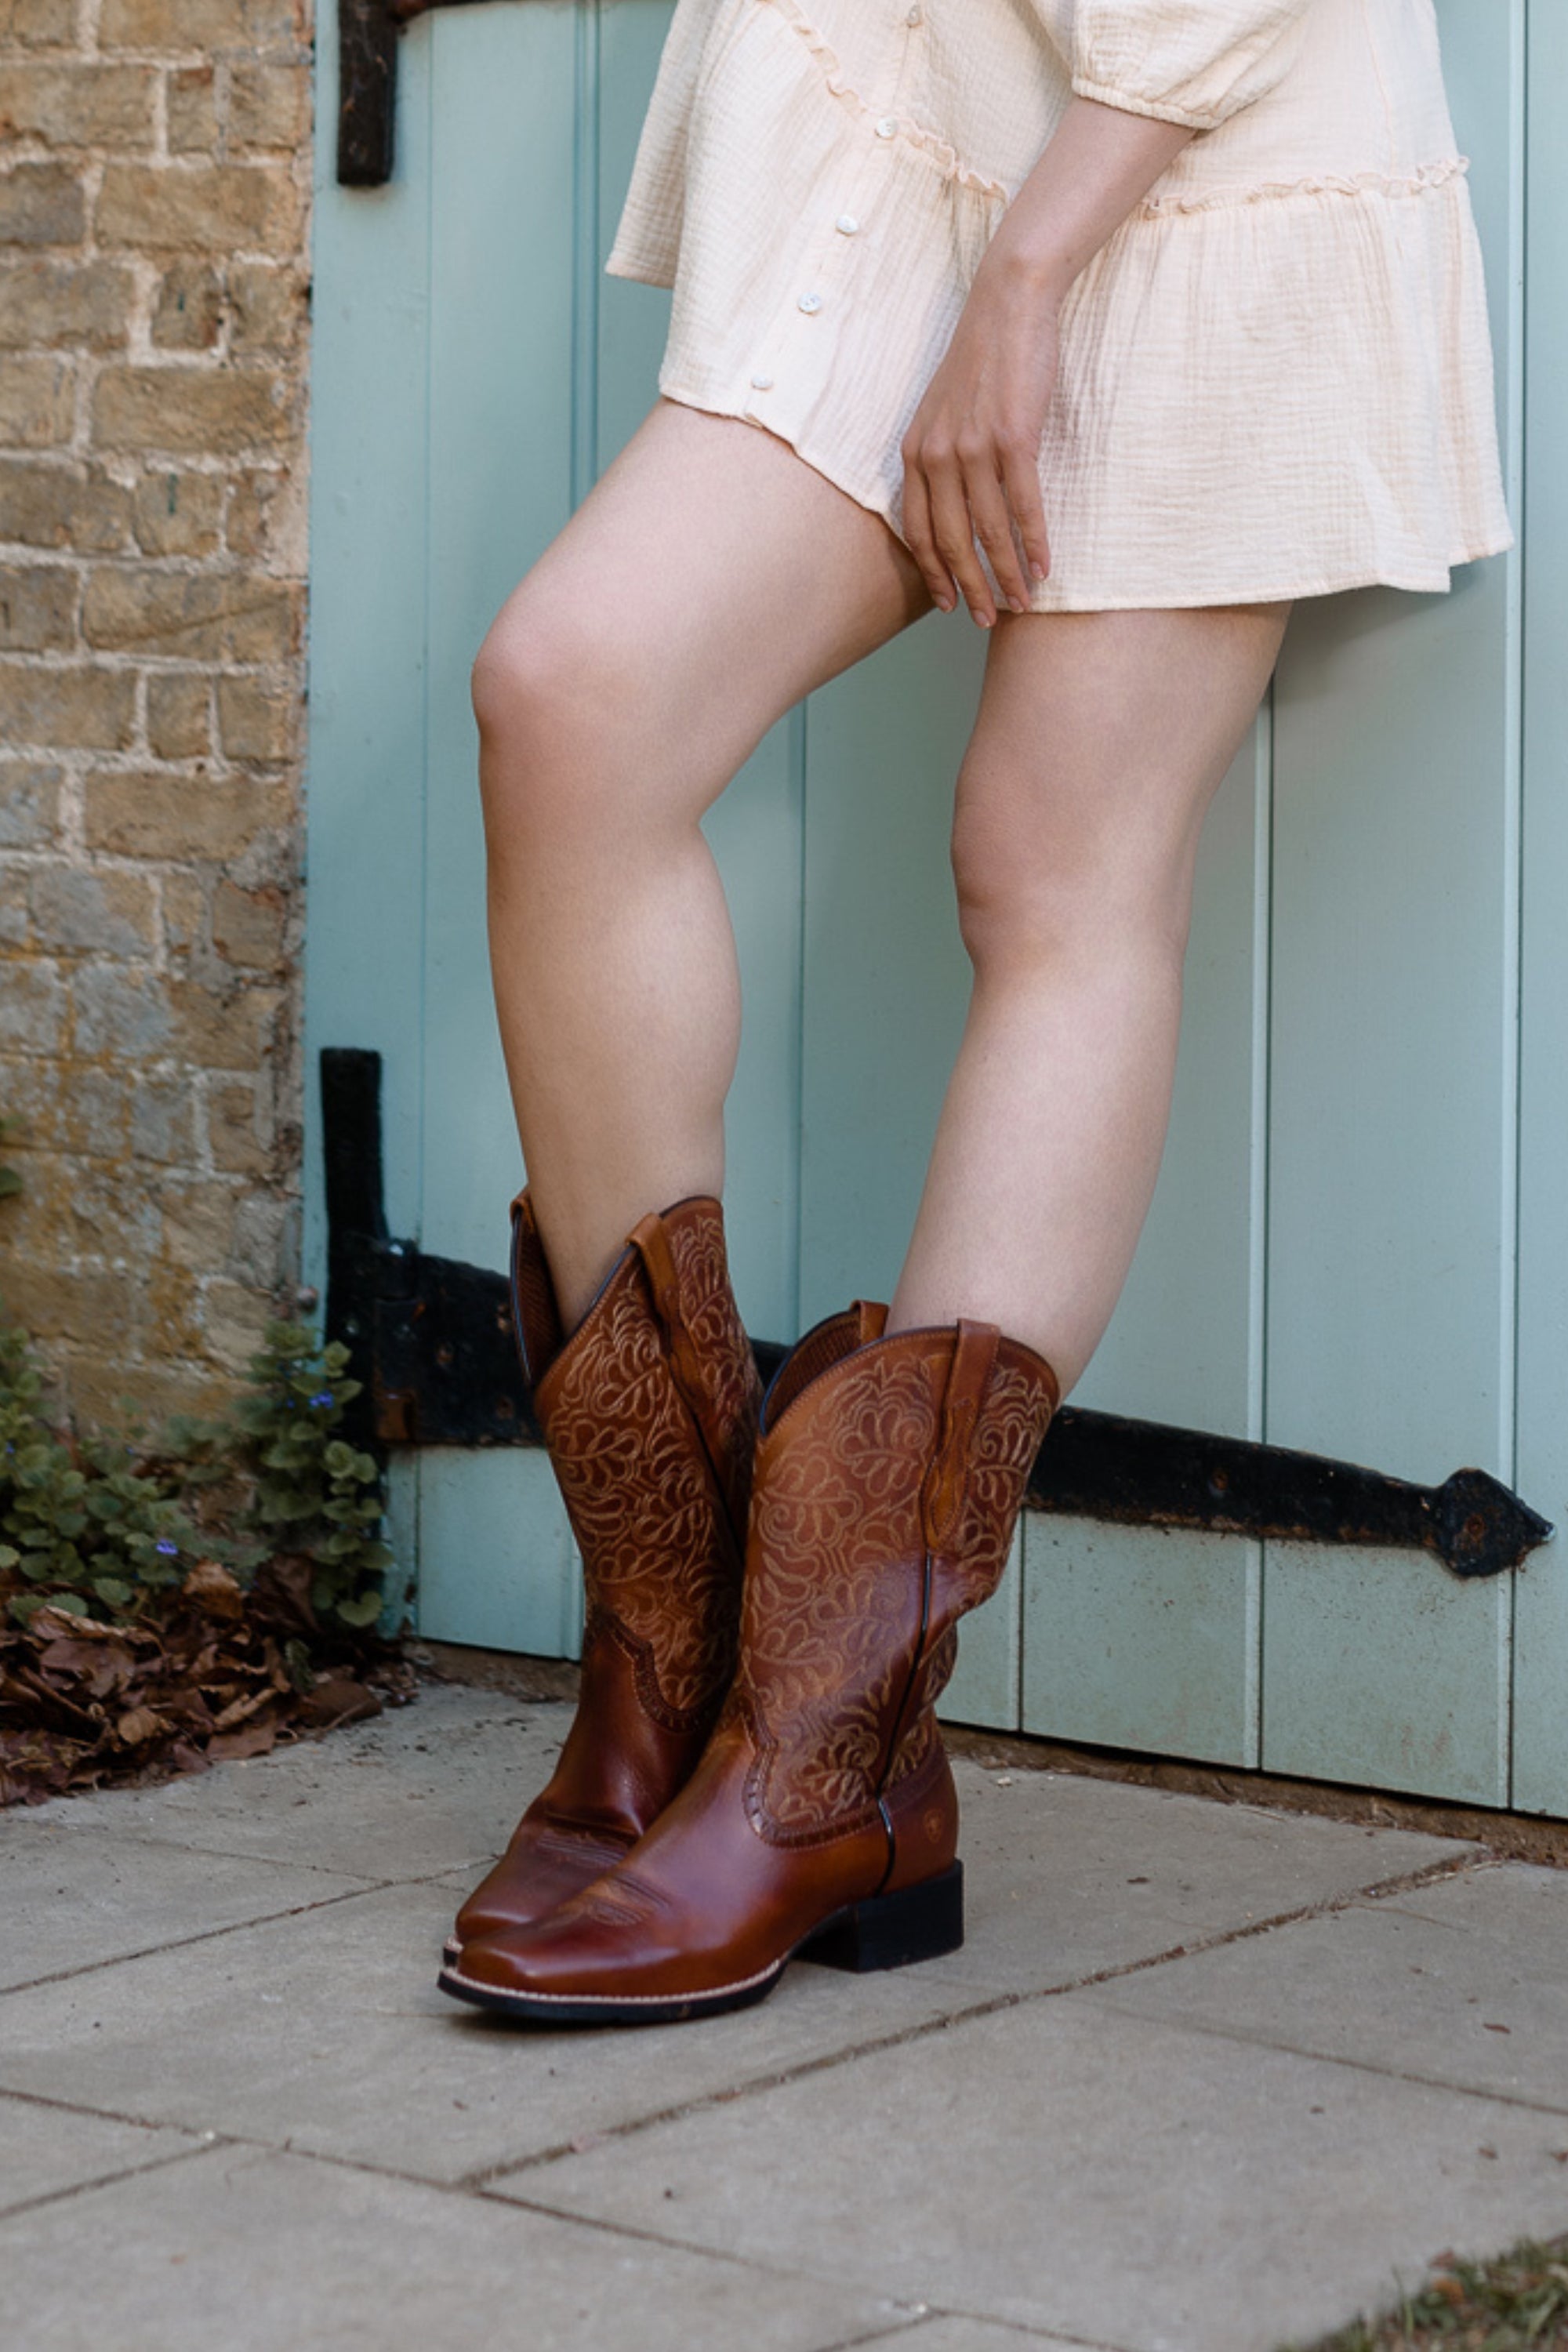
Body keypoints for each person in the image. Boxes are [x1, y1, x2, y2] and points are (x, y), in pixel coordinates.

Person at [437, 0, 1512, 2025]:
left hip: (1201, 154)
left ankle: (823, 1752)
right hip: (922, 118)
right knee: (570, 703)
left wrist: (1028, 280)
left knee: (1054, 870)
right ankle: (668, 1665)